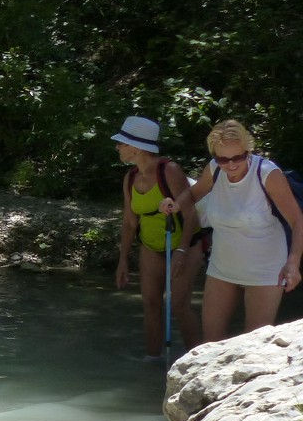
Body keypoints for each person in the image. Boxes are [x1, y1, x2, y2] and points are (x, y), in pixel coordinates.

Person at [163, 119, 303, 343]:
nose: (231, 165)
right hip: (222, 267)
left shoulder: (267, 173)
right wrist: (176, 204)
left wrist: (293, 262)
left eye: (238, 157)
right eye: (223, 159)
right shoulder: (214, 169)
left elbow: (297, 220)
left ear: (248, 150)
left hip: (265, 270)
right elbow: (193, 193)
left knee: (253, 345)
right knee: (211, 344)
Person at [112, 115, 201, 359]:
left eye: (122, 143)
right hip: (151, 246)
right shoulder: (129, 178)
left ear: (137, 147)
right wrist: (122, 261)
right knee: (151, 304)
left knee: (180, 306)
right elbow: (130, 222)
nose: (117, 147)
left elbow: (190, 210)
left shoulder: (169, 170)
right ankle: (153, 361)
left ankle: (201, 362)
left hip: (186, 244)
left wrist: (182, 250)